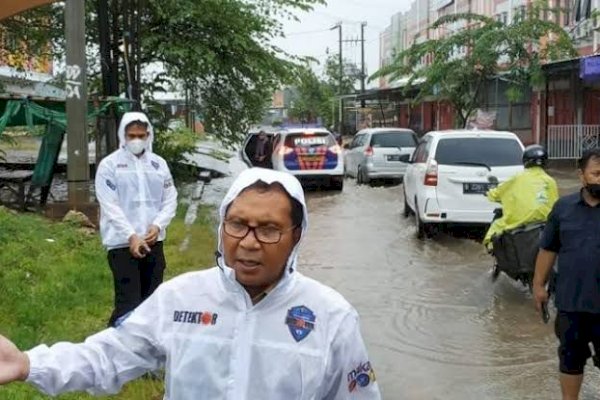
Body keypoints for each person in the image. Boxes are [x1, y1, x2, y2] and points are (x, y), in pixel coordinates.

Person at [0, 168, 381, 399]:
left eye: (269, 229)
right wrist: (30, 364)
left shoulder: (330, 317)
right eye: (237, 225)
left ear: (296, 236)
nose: (248, 242)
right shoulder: (181, 298)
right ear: (221, 227)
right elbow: (108, 356)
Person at [95, 112, 178, 327]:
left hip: (153, 241)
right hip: (122, 245)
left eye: (141, 135)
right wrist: (131, 236)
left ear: (148, 135)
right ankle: (114, 348)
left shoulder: (158, 164)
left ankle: (147, 351)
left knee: (152, 301)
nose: (137, 140)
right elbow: (110, 205)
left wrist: (158, 225)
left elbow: (170, 199)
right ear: (123, 136)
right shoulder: (109, 166)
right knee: (128, 304)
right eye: (132, 135)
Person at [533, 148, 600, 400]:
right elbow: (548, 249)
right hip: (572, 302)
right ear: (581, 176)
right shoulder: (563, 208)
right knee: (571, 358)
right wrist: (539, 286)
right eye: (596, 173)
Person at [483, 144, 559, 250]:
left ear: (525, 161)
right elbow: (556, 204)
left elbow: (496, 194)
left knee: (495, 229)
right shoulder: (551, 182)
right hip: (545, 225)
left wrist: (488, 192)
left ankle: (492, 250)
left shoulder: (516, 178)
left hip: (518, 224)